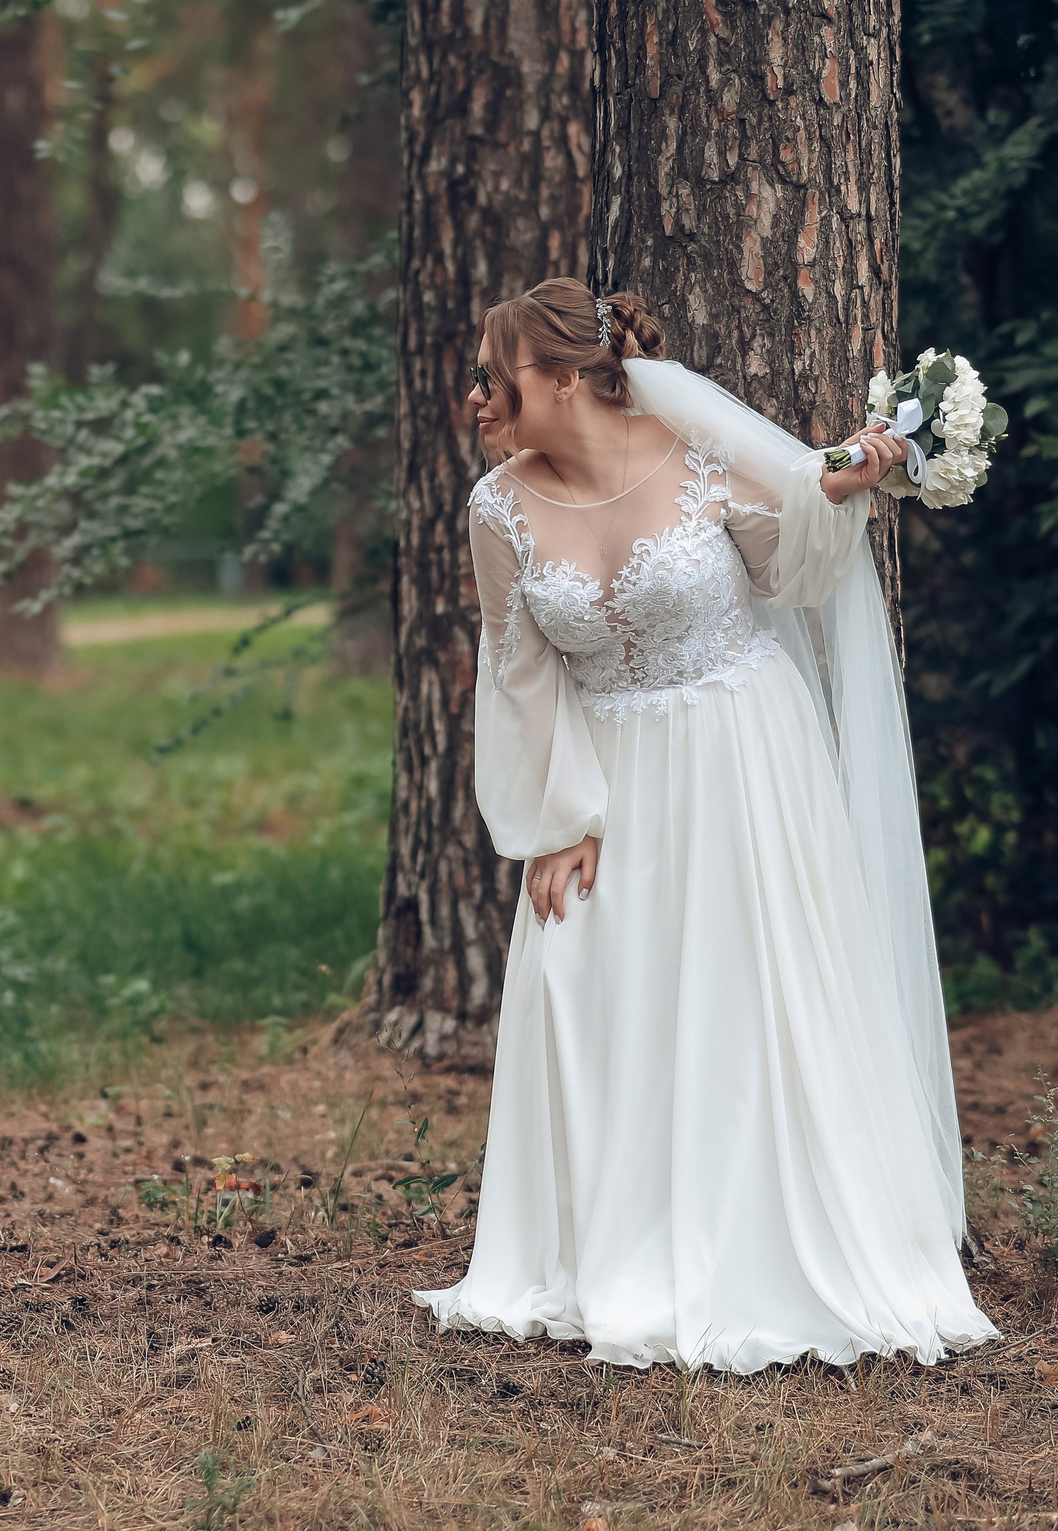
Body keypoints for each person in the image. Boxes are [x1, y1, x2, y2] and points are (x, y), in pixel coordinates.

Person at [413, 278, 997, 1372]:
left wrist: (851, 479)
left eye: (496, 375)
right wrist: (557, 819)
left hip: (741, 755)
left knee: (750, 993)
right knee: (589, 979)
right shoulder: (498, 507)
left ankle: (774, 1245)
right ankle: (608, 1245)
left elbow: (791, 564)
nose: (479, 394)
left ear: (557, 377)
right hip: (611, 775)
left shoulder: (687, 448)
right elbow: (520, 673)